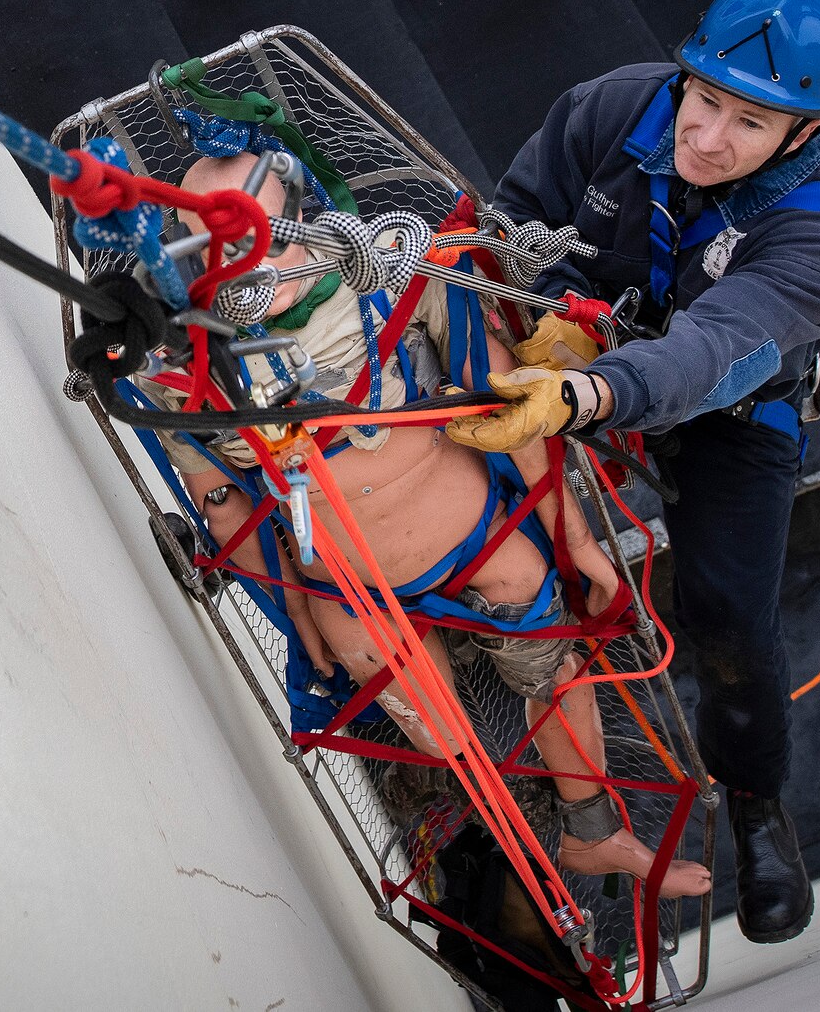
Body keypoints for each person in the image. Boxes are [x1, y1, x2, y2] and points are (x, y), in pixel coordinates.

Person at [443, 0, 820, 944]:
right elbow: (518, 219)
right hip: (571, 350)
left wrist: (590, 392)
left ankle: (757, 802)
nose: (707, 137)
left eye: (749, 122)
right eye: (705, 98)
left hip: (730, 406)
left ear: (805, 132)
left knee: (727, 611)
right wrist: (552, 310)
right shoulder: (611, 108)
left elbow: (718, 347)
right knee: (465, 481)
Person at [141, 151, 712, 897]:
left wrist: (573, 537)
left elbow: (507, 400)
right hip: (349, 591)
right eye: (221, 247)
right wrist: (293, 613)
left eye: (271, 235)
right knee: (444, 739)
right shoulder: (181, 370)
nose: (255, 264)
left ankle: (594, 831)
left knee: (558, 667)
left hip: (484, 540)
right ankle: (520, 857)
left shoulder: (394, 267)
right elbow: (227, 509)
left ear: (302, 211)